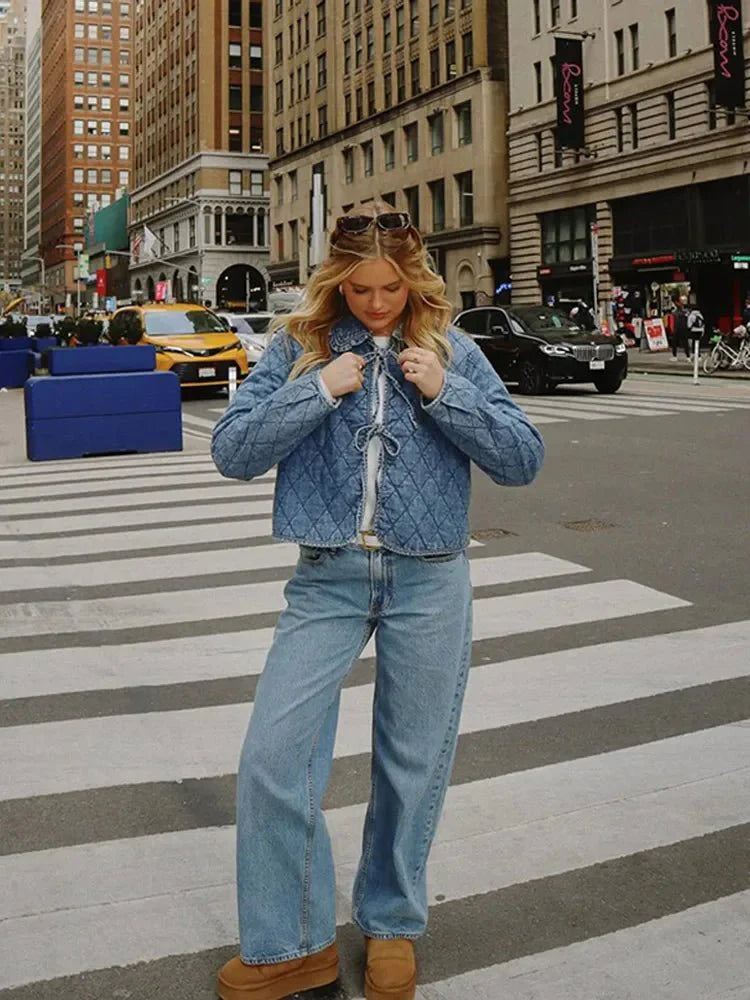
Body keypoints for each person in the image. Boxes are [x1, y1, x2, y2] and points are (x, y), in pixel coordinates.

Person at [210, 202, 545, 1000]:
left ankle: (392, 923)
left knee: (411, 764)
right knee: (272, 758)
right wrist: (318, 390)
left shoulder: (451, 349)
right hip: (326, 576)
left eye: (390, 287)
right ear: (335, 284)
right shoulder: (300, 348)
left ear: (413, 278)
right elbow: (232, 452)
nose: (377, 304)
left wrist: (446, 394)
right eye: (359, 289)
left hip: (429, 579)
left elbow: (523, 458)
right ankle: (293, 943)